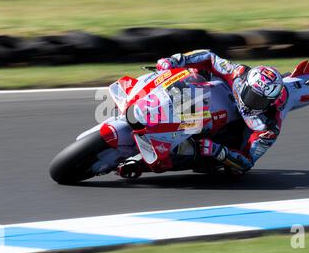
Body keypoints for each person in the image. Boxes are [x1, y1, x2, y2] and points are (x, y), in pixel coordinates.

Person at [117, 49, 287, 178]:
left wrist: (217, 151)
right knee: (188, 74)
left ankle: (143, 162)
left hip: (219, 137)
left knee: (218, 164)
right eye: (251, 95)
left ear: (271, 102)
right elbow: (209, 57)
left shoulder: (269, 126)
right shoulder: (238, 73)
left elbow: (247, 161)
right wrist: (177, 60)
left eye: (260, 101)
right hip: (206, 96)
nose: (253, 103)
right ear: (246, 84)